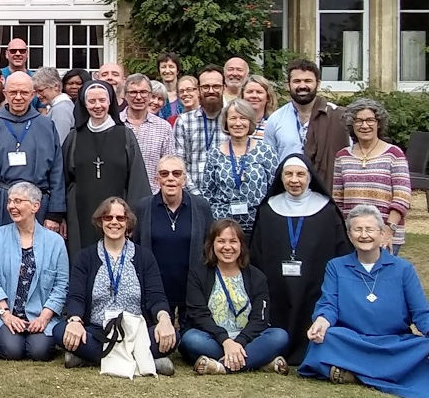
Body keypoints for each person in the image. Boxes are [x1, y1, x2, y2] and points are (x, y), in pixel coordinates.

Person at [299, 205, 429, 397]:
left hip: (394, 344)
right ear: (350, 235)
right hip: (352, 340)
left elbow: (421, 312)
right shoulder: (336, 267)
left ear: (382, 233)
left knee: (423, 348)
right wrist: (321, 322)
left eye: (369, 229)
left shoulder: (403, 269)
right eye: (358, 229)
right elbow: (329, 304)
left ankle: (353, 373)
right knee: (327, 339)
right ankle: (380, 372)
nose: (364, 235)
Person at [53, 197, 177, 374]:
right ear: (100, 221)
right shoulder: (85, 257)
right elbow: (76, 297)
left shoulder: (145, 257)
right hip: (98, 332)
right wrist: (74, 321)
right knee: (60, 331)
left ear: (128, 222)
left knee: (173, 336)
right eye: (108, 217)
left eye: (120, 218)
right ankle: (143, 359)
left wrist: (165, 320)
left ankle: (89, 357)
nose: (114, 222)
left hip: (137, 332)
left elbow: (156, 296)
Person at [249, 154, 350, 364]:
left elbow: (341, 252)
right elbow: (257, 253)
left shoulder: (327, 210)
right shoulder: (268, 209)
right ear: (281, 177)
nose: (294, 180)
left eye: (300, 174)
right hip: (277, 285)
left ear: (310, 177)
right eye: (288, 174)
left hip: (314, 284)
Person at [180, 219, 290, 375]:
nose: (227, 247)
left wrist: (238, 342)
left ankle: (221, 367)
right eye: (221, 241)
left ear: (241, 246)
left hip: (247, 339)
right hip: (213, 339)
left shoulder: (257, 277)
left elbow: (260, 319)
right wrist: (225, 341)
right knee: (191, 339)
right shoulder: (198, 274)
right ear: (212, 245)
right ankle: (258, 361)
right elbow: (198, 315)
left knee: (279, 336)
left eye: (233, 241)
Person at [0, 183, 68, 362]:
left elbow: (61, 286)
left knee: (39, 352)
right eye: (10, 201)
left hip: (40, 315)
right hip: (6, 313)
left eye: (18, 201)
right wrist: (6, 315)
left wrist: (44, 318)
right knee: (12, 350)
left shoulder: (56, 242)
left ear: (35, 206)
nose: (12, 206)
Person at [0, 72, 63, 235]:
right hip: (0, 204)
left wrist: (55, 213)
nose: (18, 97)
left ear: (33, 94)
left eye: (24, 92)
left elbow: (57, 171)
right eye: (13, 92)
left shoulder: (47, 126)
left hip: (37, 204)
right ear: (5, 93)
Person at [63, 80, 151, 255]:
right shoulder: (74, 137)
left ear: (110, 101)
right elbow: (64, 178)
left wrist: (133, 218)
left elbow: (136, 178)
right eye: (92, 101)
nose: (98, 106)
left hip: (118, 214)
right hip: (79, 214)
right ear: (83, 103)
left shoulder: (125, 135)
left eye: (102, 100)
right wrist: (61, 215)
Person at [131, 155, 214, 324]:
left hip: (192, 288)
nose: (170, 178)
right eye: (164, 174)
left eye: (176, 174)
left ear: (184, 178)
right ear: (157, 179)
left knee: (191, 343)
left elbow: (209, 247)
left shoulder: (201, 207)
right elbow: (136, 248)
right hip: (156, 289)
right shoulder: (143, 208)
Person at [332, 99, 411, 254]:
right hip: (353, 236)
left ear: (378, 123)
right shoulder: (342, 156)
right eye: (359, 121)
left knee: (382, 278)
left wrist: (388, 229)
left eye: (370, 120)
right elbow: (337, 201)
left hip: (385, 235)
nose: (365, 125)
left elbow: (402, 197)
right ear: (352, 125)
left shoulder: (394, 154)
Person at [264, 59, 350, 186]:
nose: (302, 86)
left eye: (308, 81)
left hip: (327, 192)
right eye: (297, 81)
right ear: (288, 85)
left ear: (318, 84)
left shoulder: (337, 117)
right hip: (288, 192)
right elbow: (269, 163)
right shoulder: (276, 119)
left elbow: (349, 155)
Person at [200, 100, 278, 236]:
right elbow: (208, 192)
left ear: (250, 122)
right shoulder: (215, 153)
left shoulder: (266, 151)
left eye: (243, 118)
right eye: (233, 118)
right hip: (223, 226)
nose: (238, 123)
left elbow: (275, 189)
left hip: (258, 225)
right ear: (226, 122)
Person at [174, 65, 227, 195]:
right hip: (192, 197)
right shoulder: (184, 121)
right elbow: (179, 164)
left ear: (224, 88)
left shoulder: (234, 120)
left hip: (227, 198)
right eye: (205, 87)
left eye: (216, 86)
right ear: (198, 90)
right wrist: (196, 196)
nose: (211, 90)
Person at [121, 74, 176, 194]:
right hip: (120, 197)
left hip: (153, 196)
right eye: (133, 92)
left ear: (150, 95)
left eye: (143, 92)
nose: (139, 97)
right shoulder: (115, 124)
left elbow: (169, 164)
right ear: (125, 95)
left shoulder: (163, 127)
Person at [32, 67, 75, 142]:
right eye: (36, 92)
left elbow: (59, 143)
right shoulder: (60, 106)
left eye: (41, 91)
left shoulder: (61, 110)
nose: (38, 95)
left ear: (56, 86)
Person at [240, 75, 277, 141]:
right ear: (242, 96)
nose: (254, 96)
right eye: (250, 92)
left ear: (268, 97)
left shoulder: (274, 124)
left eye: (259, 92)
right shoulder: (234, 122)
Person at [156, 53, 183, 120]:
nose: (167, 71)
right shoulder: (154, 94)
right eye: (163, 67)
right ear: (159, 71)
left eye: (171, 66)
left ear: (177, 71)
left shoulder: (185, 93)